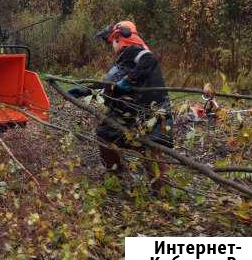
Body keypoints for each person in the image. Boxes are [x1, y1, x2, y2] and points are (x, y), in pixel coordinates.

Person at [67, 21, 173, 193]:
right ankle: (128, 181)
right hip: (135, 113)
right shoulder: (126, 59)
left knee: (148, 150)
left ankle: (152, 189)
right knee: (139, 147)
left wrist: (127, 82)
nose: (111, 47)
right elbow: (109, 85)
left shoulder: (137, 52)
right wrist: (83, 91)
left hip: (144, 113)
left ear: (118, 38)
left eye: (111, 42)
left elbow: (148, 60)